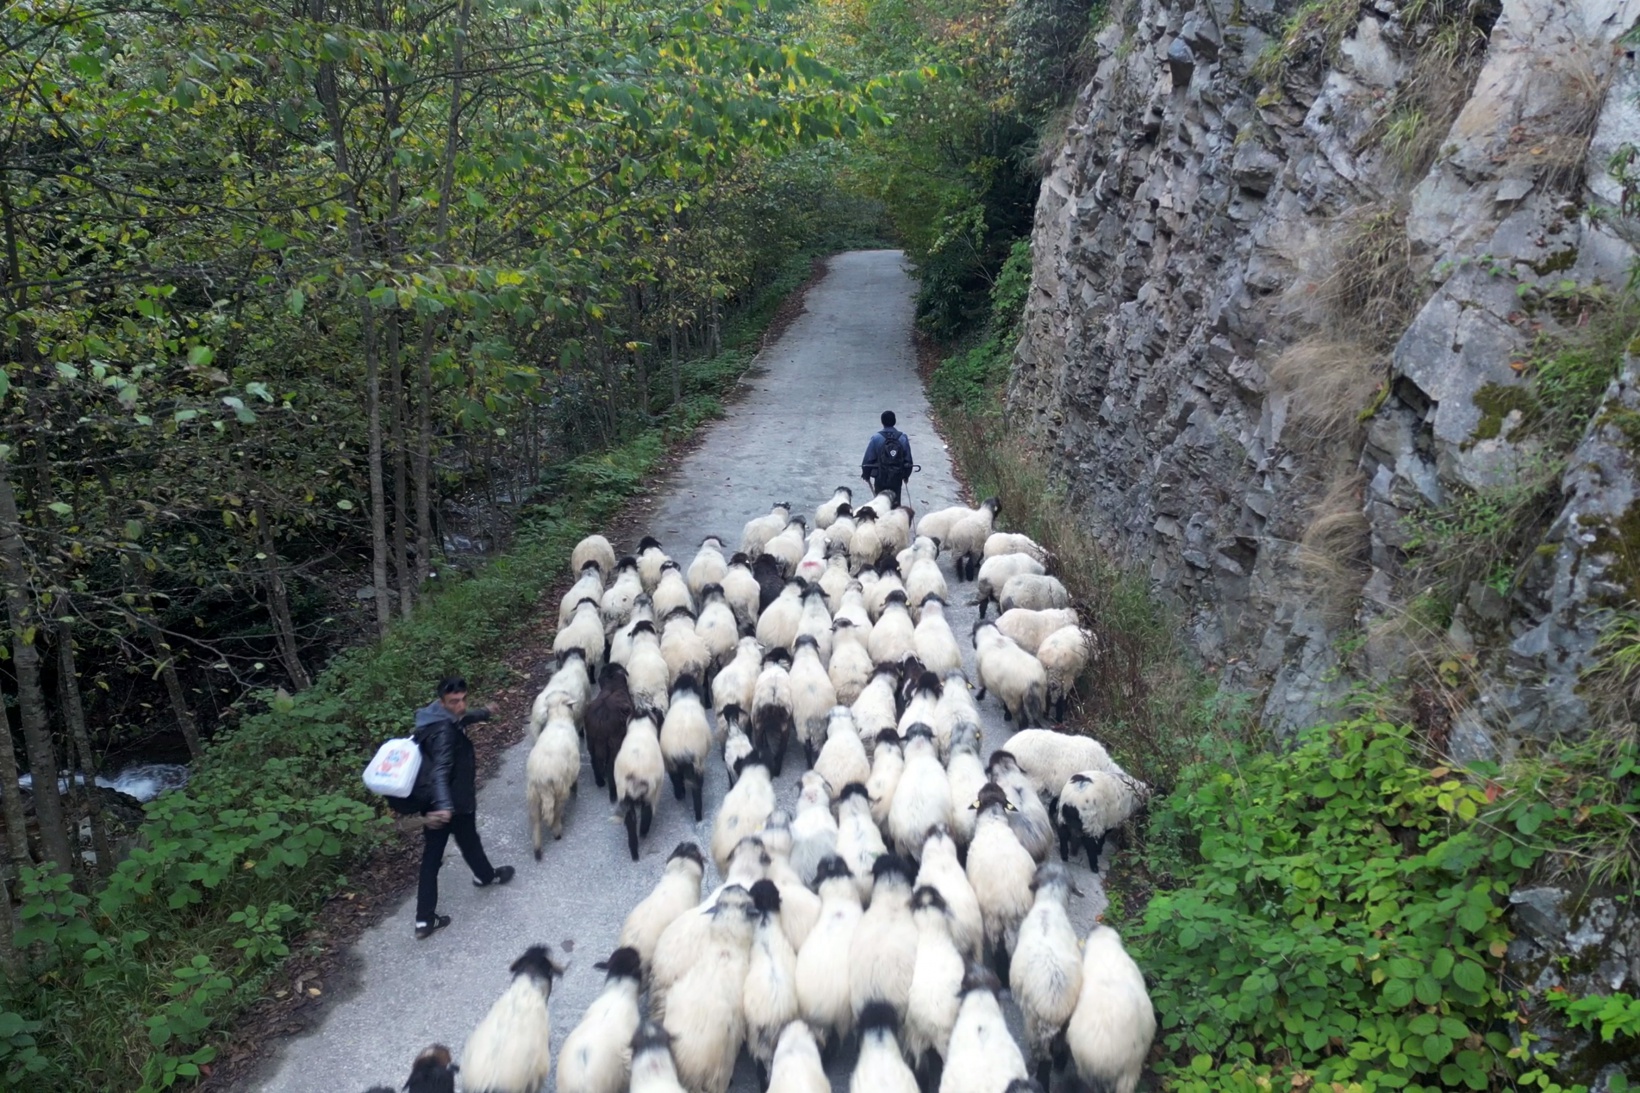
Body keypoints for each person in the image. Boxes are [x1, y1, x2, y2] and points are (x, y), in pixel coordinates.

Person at [412, 677, 514, 939]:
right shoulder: (444, 732)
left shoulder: (432, 718)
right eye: (454, 702)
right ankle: (484, 876)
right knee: (460, 844)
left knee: (442, 853)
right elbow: (440, 770)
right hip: (450, 803)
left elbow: (463, 718)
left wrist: (485, 713)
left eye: (463, 699)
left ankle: (424, 920)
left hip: (433, 803)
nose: (460, 706)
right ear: (441, 702)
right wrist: (445, 806)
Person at [861, 410, 914, 506]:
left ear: (882, 422)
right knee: (895, 500)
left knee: (879, 503)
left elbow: (868, 458)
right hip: (897, 477)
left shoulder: (876, 438)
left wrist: (866, 474)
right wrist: (906, 475)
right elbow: (908, 459)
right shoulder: (902, 437)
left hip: (880, 476)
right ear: (895, 421)